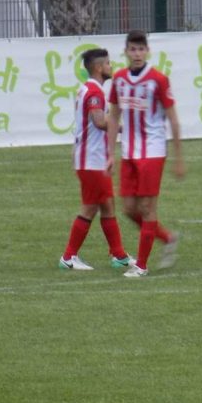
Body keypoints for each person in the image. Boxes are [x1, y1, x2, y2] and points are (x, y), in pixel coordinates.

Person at [106, 30, 185, 278]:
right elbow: (114, 116)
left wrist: (178, 157)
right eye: (133, 49)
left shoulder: (158, 80)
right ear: (126, 52)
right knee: (129, 208)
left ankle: (141, 265)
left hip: (152, 150)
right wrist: (109, 153)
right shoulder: (118, 79)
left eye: (141, 49)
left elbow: (173, 119)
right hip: (129, 151)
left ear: (147, 51)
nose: (137, 53)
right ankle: (167, 238)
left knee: (148, 207)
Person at [59, 49, 135, 270]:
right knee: (90, 208)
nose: (111, 67)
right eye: (108, 64)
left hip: (92, 159)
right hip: (91, 161)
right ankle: (68, 257)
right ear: (99, 67)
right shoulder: (95, 92)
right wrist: (124, 128)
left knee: (107, 206)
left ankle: (119, 255)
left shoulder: (88, 89)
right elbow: (99, 121)